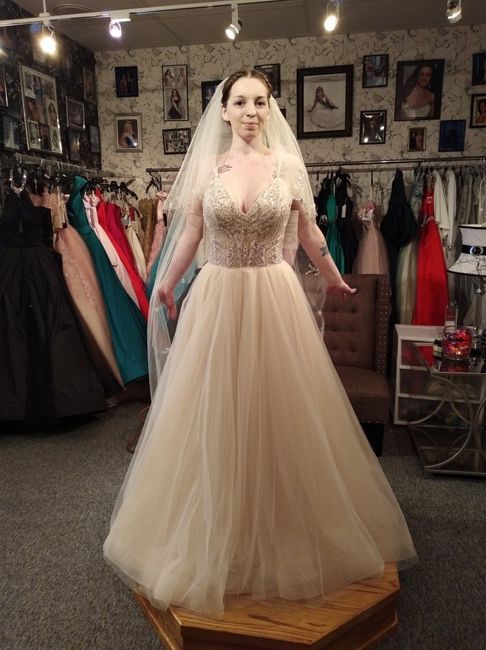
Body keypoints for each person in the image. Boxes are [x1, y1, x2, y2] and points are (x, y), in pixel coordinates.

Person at [103, 69, 416, 615]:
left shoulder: (288, 166)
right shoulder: (207, 168)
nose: (252, 111)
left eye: (261, 102)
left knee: (278, 411)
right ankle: (218, 526)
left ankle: (282, 524)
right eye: (242, 102)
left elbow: (310, 234)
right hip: (218, 299)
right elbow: (193, 233)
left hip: (274, 298)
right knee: (215, 411)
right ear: (223, 110)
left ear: (271, 109)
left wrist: (335, 277)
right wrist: (167, 284)